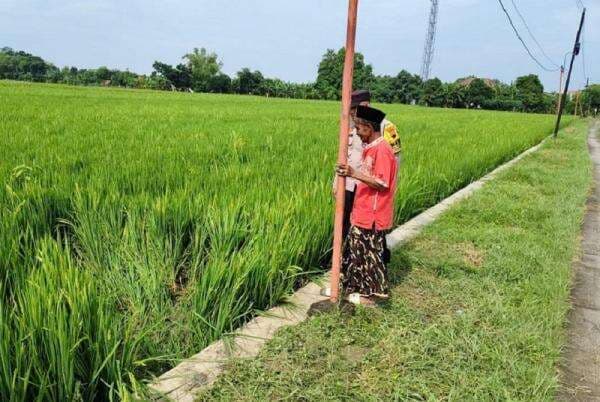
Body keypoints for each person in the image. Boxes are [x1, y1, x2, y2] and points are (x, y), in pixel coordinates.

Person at [335, 105, 398, 307]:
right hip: (362, 211)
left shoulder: (383, 150)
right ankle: (352, 287)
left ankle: (372, 295)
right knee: (355, 250)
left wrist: (354, 173)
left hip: (374, 213)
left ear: (369, 128)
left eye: (360, 128)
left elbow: (382, 182)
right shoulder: (370, 148)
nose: (357, 132)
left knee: (370, 255)